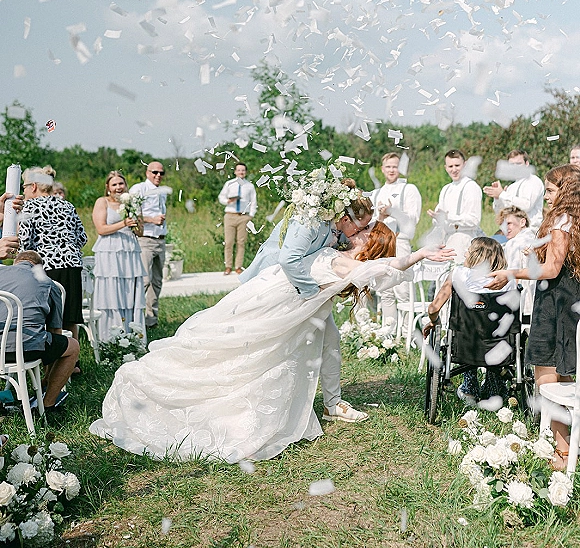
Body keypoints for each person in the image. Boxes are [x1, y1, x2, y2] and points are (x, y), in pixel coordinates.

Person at [90, 223, 453, 461]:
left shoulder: (349, 265)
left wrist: (418, 255)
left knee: (284, 351)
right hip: (267, 298)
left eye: (364, 234)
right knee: (232, 346)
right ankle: (331, 403)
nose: (357, 232)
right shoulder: (335, 248)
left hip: (278, 300)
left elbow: (380, 270)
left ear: (368, 246)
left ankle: (333, 403)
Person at [240, 186, 374, 422]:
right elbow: (288, 259)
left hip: (301, 291)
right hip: (271, 287)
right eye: (361, 228)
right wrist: (314, 294)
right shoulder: (309, 220)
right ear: (345, 218)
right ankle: (255, 402)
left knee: (331, 337)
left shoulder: (335, 228)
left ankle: (332, 404)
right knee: (268, 345)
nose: (358, 233)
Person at [487, 164, 580, 469]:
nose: (547, 195)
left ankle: (562, 450)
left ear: (565, 190)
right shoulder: (573, 219)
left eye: (551, 190)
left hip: (554, 302)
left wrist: (513, 272)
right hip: (567, 297)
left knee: (547, 377)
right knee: (563, 374)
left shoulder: (563, 220)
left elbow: (552, 269)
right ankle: (566, 443)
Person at [423, 238, 518, 405]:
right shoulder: (508, 280)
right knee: (491, 330)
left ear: (476, 255)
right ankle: (493, 386)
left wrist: (433, 322)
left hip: (465, 344)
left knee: (470, 330)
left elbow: (433, 308)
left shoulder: (458, 274)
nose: (465, 252)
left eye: (469, 249)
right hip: (499, 344)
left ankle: (470, 388)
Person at [0, 250, 80, 412]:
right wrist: (48, 374)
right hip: (26, 350)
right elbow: (55, 330)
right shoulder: (48, 282)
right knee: (73, 346)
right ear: (39, 267)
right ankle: (48, 404)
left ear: (16, 262)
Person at [18, 166, 87, 342]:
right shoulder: (67, 205)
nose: (23, 191)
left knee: (51, 319)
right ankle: (74, 362)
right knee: (70, 318)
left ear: (33, 186)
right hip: (71, 266)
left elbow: (25, 242)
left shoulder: (29, 206)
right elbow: (82, 238)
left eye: (24, 187)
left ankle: (54, 361)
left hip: (46, 267)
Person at [92, 171, 146, 342]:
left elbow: (140, 231)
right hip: (109, 251)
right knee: (112, 292)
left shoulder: (132, 202)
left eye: (120, 184)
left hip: (129, 250)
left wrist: (135, 220)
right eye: (114, 184)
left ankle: (133, 335)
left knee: (130, 290)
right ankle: (111, 338)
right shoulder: (102, 202)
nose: (118, 187)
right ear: (108, 187)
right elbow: (101, 229)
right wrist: (123, 223)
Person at [372, 152, 422, 333]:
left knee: (403, 289)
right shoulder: (377, 192)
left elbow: (413, 218)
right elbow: (371, 222)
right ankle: (389, 332)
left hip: (400, 241)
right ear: (382, 169)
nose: (392, 170)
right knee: (385, 289)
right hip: (381, 243)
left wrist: (392, 211)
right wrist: (381, 215)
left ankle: (408, 332)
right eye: (388, 167)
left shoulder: (409, 189)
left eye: (395, 166)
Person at [130, 161, 170, 329]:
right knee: (144, 280)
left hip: (160, 239)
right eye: (155, 172)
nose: (158, 175)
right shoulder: (139, 189)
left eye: (161, 173)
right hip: (145, 239)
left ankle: (150, 320)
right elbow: (131, 214)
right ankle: (134, 317)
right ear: (147, 172)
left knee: (157, 281)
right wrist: (151, 219)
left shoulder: (162, 192)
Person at [427, 149, 482, 260]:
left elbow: (474, 220)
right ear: (445, 167)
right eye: (450, 166)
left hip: (464, 238)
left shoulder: (471, 186)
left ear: (465, 165)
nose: (454, 170)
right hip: (446, 239)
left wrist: (449, 217)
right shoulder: (446, 189)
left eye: (457, 165)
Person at [483, 149, 544, 232]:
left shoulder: (533, 181)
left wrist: (502, 194)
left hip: (530, 232)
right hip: (512, 232)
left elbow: (526, 206)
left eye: (518, 164)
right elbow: (501, 213)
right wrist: (497, 197)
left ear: (527, 164)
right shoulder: (511, 187)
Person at [218, 162, 257, 275]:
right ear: (235, 172)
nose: (241, 172)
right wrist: (227, 201)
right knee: (229, 242)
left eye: (243, 170)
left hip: (243, 217)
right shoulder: (229, 184)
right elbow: (221, 196)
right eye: (239, 170)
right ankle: (228, 266)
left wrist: (251, 215)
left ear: (245, 172)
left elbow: (253, 201)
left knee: (241, 242)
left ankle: (238, 266)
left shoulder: (249, 186)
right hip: (230, 215)